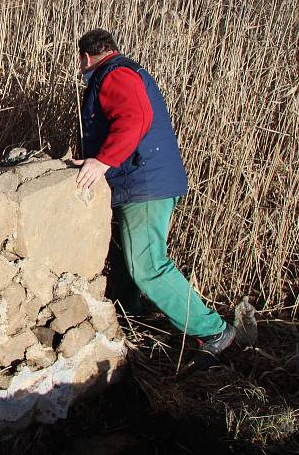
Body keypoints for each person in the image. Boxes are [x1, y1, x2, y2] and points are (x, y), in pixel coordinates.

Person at [71, 28, 235, 357]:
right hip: (140, 180)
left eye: (80, 63)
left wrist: (103, 160)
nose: (81, 69)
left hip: (143, 185)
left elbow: (136, 118)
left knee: (147, 265)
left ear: (86, 57)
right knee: (123, 256)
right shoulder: (124, 71)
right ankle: (132, 318)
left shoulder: (114, 75)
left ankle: (214, 331)